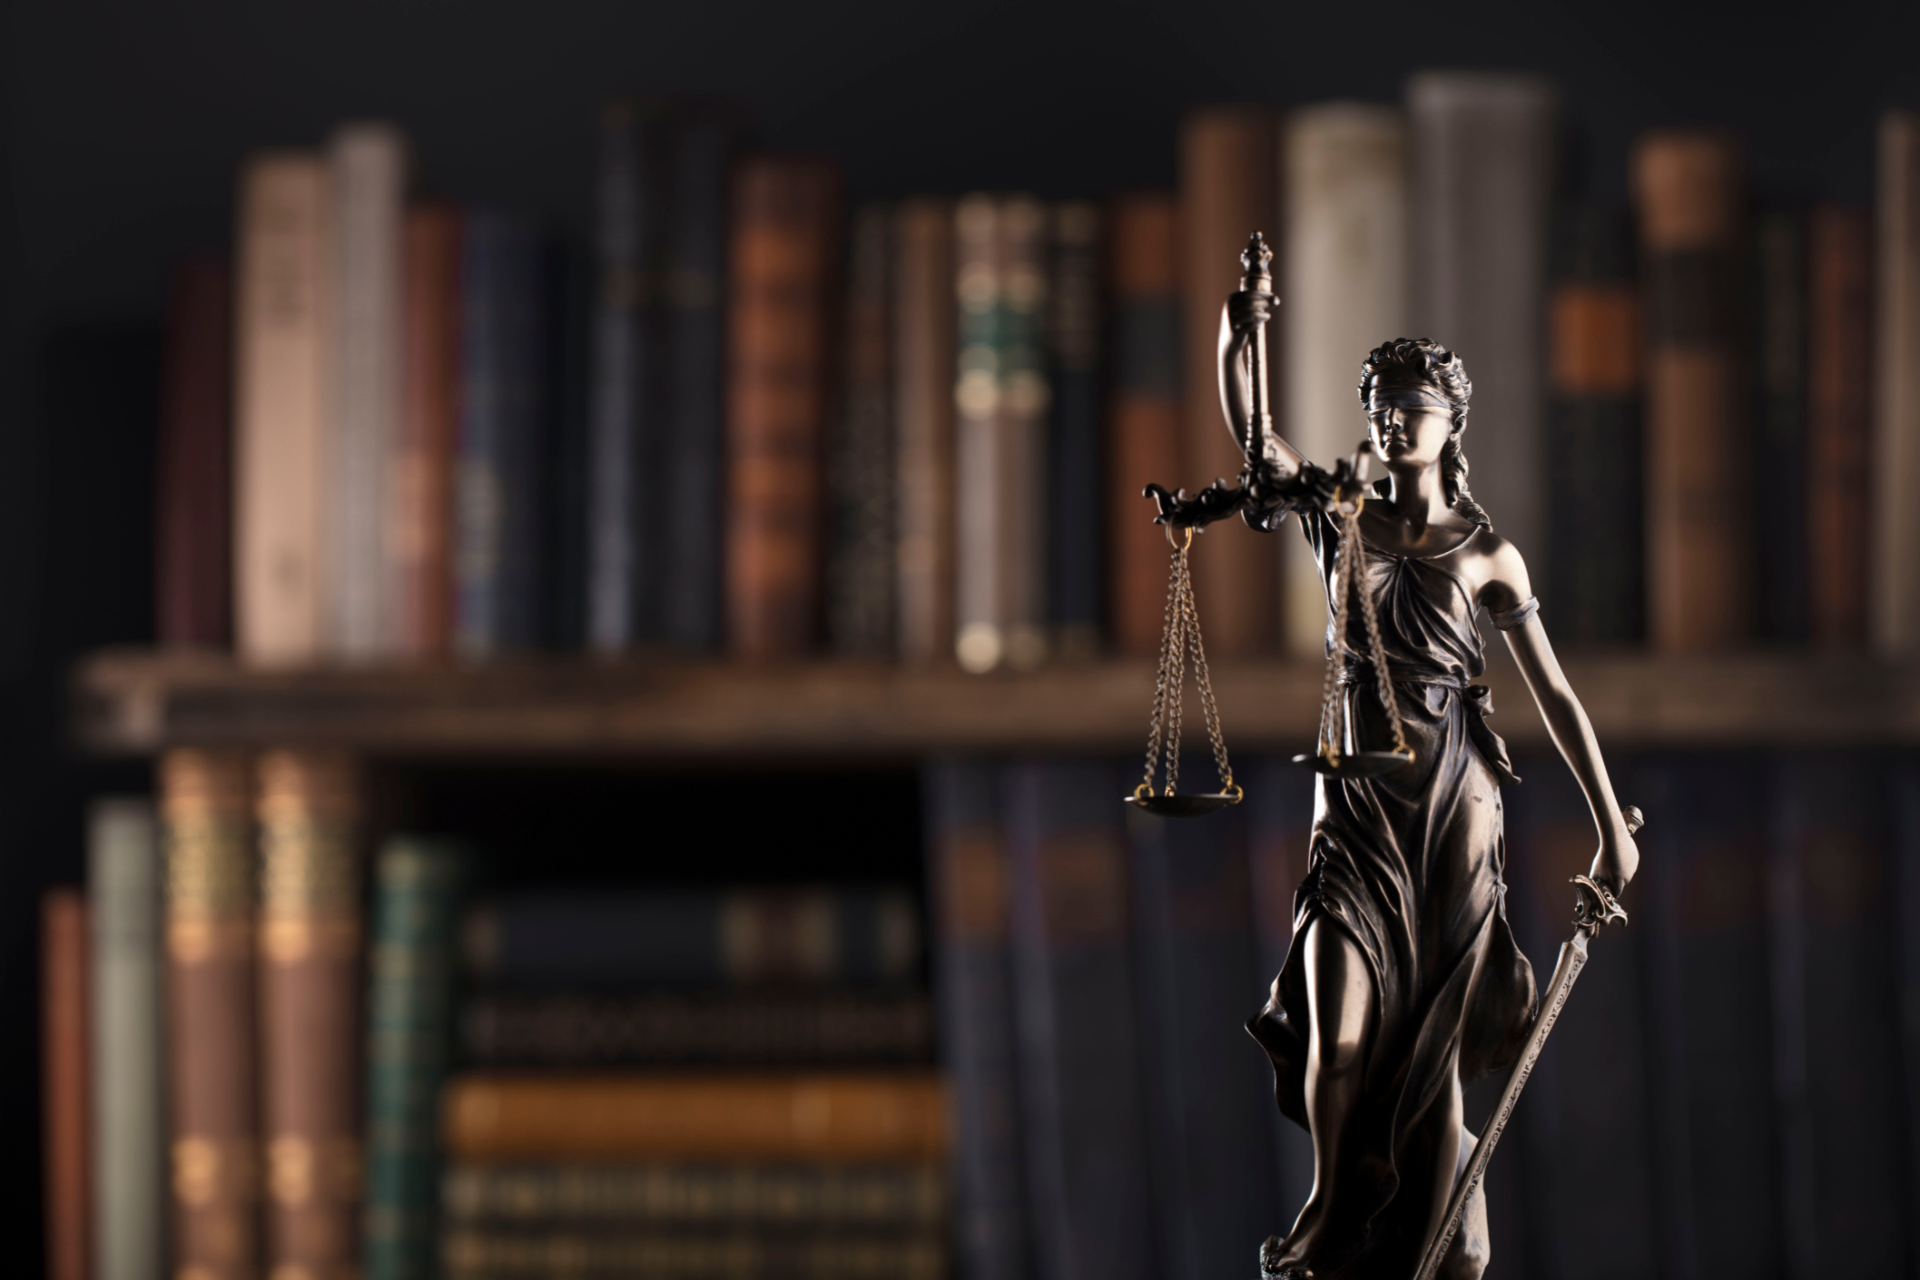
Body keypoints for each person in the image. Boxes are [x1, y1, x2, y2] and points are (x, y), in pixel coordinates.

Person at [1160, 294, 1641, 1280]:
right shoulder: (1341, 518)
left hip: (1457, 809)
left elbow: (1555, 695)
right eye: (1378, 406)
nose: (1391, 422)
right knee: (1336, 1032)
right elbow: (1256, 440)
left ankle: (1434, 1238)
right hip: (1356, 810)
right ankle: (1331, 1205)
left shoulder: (1488, 553)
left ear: (1451, 420)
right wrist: (1237, 329)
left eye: (1411, 406)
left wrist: (1611, 827)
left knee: (1434, 1055)